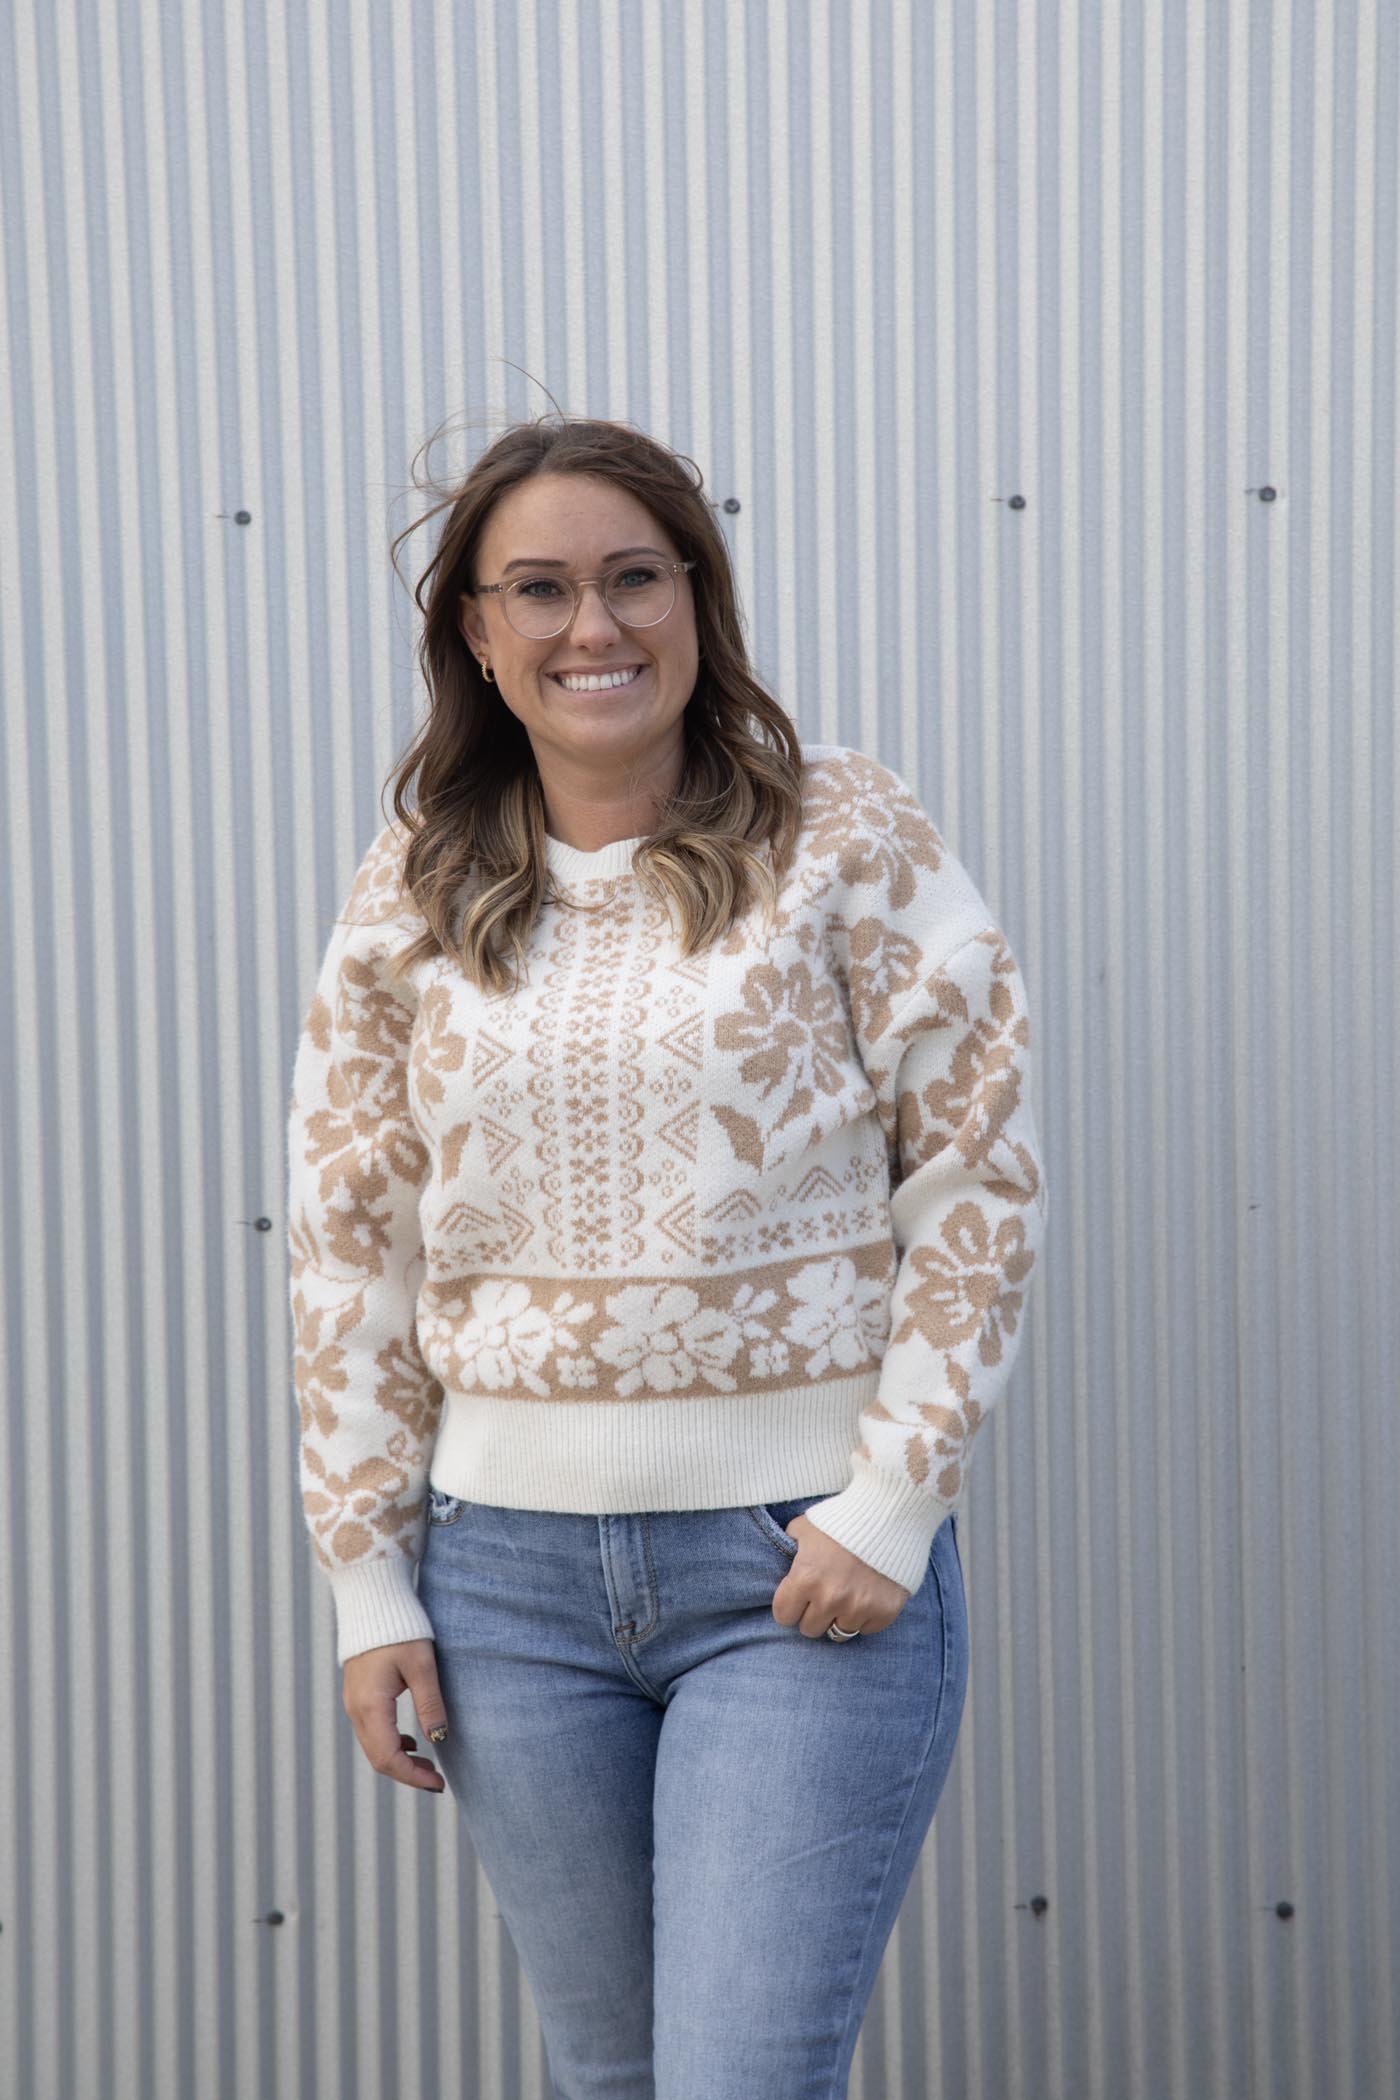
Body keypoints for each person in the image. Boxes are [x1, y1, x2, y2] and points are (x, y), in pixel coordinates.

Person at [286, 412, 1047, 2099]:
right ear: (478, 630)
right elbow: (351, 1247)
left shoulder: (844, 832)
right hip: (505, 1593)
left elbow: (976, 1176)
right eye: (540, 589)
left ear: (699, 598)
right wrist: (368, 1584)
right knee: (610, 2078)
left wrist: (895, 1501)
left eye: (637, 578)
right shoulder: (415, 882)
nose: (595, 626)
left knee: (738, 2078)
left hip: (793, 1574)